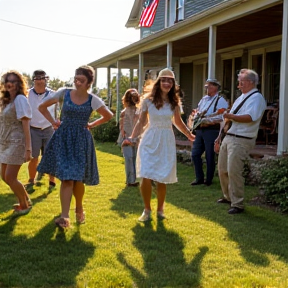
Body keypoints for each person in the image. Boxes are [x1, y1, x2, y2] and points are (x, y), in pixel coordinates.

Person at [37, 65, 113, 228]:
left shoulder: (93, 99)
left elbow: (108, 115)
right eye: (76, 79)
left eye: (82, 80)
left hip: (81, 142)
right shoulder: (64, 93)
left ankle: (79, 206)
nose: (77, 82)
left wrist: (92, 124)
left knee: (78, 179)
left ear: (89, 83)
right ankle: (65, 217)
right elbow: (41, 107)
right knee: (67, 178)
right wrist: (53, 122)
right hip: (63, 139)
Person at [123, 68, 195, 222]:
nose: (167, 83)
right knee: (146, 174)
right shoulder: (148, 100)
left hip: (166, 140)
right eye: (164, 80)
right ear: (159, 82)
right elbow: (142, 121)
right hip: (149, 138)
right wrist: (132, 137)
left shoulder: (175, 102)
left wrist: (189, 134)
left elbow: (177, 121)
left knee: (162, 177)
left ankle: (160, 209)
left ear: (173, 84)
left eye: (170, 80)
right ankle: (147, 209)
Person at [217, 69, 266, 214]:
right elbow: (233, 116)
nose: (239, 85)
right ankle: (228, 197)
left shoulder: (257, 98)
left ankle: (237, 203)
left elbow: (250, 117)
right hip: (230, 136)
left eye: (241, 82)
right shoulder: (242, 97)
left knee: (234, 171)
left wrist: (230, 115)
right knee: (222, 169)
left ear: (250, 82)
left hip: (242, 139)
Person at [0, 70, 33, 216]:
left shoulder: (20, 99)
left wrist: (28, 149)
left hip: (17, 141)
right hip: (5, 141)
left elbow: (26, 125)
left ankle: (24, 205)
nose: (10, 84)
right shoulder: (6, 101)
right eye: (8, 81)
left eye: (13, 81)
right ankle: (25, 199)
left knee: (10, 177)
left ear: (19, 84)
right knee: (4, 176)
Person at [190, 79, 228, 186]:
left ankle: (209, 179)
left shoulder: (220, 100)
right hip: (200, 129)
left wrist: (209, 121)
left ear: (216, 87)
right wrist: (196, 116)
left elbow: (222, 116)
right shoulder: (204, 99)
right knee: (195, 154)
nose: (208, 88)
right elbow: (198, 111)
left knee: (209, 155)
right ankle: (199, 178)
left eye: (210, 86)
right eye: (207, 86)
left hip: (211, 130)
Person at [25, 69, 56, 192]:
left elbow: (58, 110)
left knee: (50, 155)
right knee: (34, 157)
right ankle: (31, 180)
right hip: (33, 129)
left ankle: (52, 180)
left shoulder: (53, 94)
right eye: (37, 78)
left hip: (49, 128)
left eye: (42, 78)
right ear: (33, 80)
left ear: (46, 79)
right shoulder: (27, 94)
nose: (39, 81)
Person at [118, 88, 141, 187]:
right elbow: (122, 127)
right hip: (127, 138)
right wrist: (126, 138)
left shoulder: (139, 111)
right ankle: (130, 181)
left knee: (135, 158)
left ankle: (133, 179)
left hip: (136, 138)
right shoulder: (124, 112)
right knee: (129, 158)